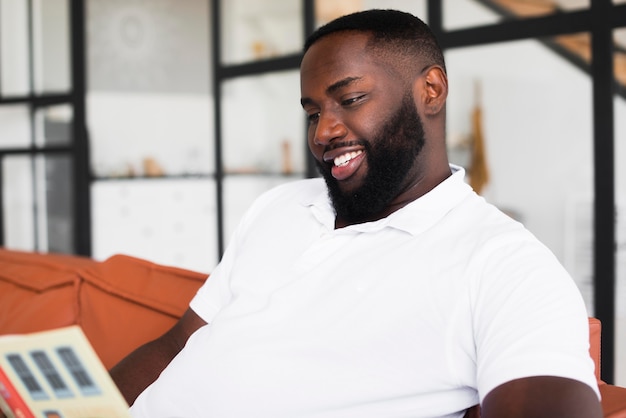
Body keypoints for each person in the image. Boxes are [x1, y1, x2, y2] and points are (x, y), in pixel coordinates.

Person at [111, 9, 602, 418]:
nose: (323, 132)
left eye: (350, 100)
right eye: (312, 112)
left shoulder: (501, 263)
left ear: (430, 90)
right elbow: (179, 344)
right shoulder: (280, 207)